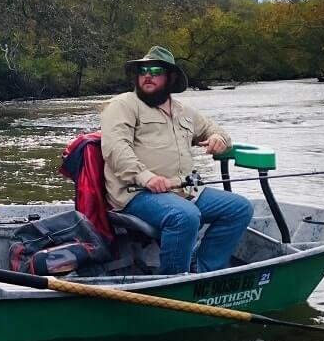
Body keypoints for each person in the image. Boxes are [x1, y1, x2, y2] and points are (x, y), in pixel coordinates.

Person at [100, 45, 253, 275]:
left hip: (184, 190)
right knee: (184, 216)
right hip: (136, 194)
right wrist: (146, 177)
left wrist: (218, 138)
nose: (148, 75)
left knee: (239, 208)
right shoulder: (123, 105)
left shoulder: (185, 112)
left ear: (170, 78)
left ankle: (204, 272)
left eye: (155, 70)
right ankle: (174, 283)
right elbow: (115, 149)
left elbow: (217, 131)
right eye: (143, 71)